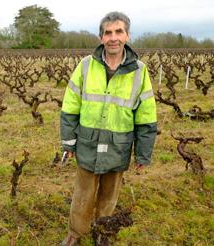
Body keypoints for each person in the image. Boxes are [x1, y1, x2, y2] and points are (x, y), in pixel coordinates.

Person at [60, 11, 157, 245]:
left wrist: (143, 153)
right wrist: (68, 141)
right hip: (88, 143)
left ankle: (103, 234)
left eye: (118, 32)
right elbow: (70, 106)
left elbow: (145, 115)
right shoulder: (85, 66)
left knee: (109, 196)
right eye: (108, 33)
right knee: (83, 195)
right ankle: (76, 233)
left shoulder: (139, 71)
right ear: (101, 37)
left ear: (127, 35)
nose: (113, 38)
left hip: (119, 146)